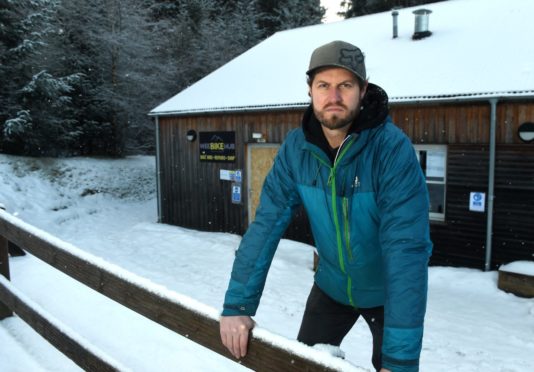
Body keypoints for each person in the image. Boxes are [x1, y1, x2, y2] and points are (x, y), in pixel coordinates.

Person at [219, 40, 432, 372]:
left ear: (363, 90)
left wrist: (401, 361)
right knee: (301, 365)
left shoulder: (391, 151)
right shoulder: (296, 150)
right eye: (324, 85)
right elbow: (266, 225)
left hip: (388, 294)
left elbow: (406, 248)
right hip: (331, 288)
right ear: (310, 90)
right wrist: (237, 305)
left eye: (345, 85)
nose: (334, 96)